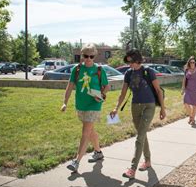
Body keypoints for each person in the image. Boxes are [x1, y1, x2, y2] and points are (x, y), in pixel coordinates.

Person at [109, 49, 166, 179]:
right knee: (142, 134)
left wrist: (163, 109)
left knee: (139, 137)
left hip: (149, 106)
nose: (130, 65)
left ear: (138, 60)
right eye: (128, 62)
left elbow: (158, 91)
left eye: (132, 62)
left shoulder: (148, 72)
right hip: (135, 106)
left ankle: (132, 168)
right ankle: (148, 161)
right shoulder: (128, 73)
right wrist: (116, 108)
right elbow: (123, 93)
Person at [61, 43, 110, 173]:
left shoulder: (99, 70)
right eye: (85, 56)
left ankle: (76, 161)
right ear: (82, 55)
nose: (88, 58)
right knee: (90, 130)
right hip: (80, 104)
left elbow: (107, 86)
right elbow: (70, 86)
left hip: (94, 104)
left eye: (91, 56)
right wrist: (64, 102)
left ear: (95, 56)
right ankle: (98, 152)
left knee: (85, 132)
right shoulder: (76, 69)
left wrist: (101, 95)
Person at [181, 56, 196, 125]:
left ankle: (193, 119)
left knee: (194, 105)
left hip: (195, 89)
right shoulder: (187, 70)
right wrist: (183, 88)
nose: (192, 63)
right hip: (188, 89)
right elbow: (184, 79)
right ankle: (191, 116)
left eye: (193, 62)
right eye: (191, 62)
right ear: (189, 63)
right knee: (185, 102)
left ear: (195, 62)